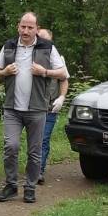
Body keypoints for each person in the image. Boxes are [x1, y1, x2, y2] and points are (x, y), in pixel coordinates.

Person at [0, 12, 68, 203]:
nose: (26, 31)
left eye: (30, 27)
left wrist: (44, 72)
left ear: (36, 29)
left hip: (37, 109)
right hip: (12, 108)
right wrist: (4, 71)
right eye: (23, 27)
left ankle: (30, 188)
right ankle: (11, 185)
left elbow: (63, 73)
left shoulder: (47, 47)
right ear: (18, 27)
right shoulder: (9, 46)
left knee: (35, 151)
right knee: (11, 146)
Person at [36, 28, 69, 185]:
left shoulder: (58, 59)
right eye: (40, 38)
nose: (43, 42)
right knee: (33, 140)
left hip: (50, 107)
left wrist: (61, 97)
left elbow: (64, 79)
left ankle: (38, 171)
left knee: (43, 139)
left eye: (46, 40)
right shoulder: (29, 56)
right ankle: (33, 166)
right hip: (31, 107)